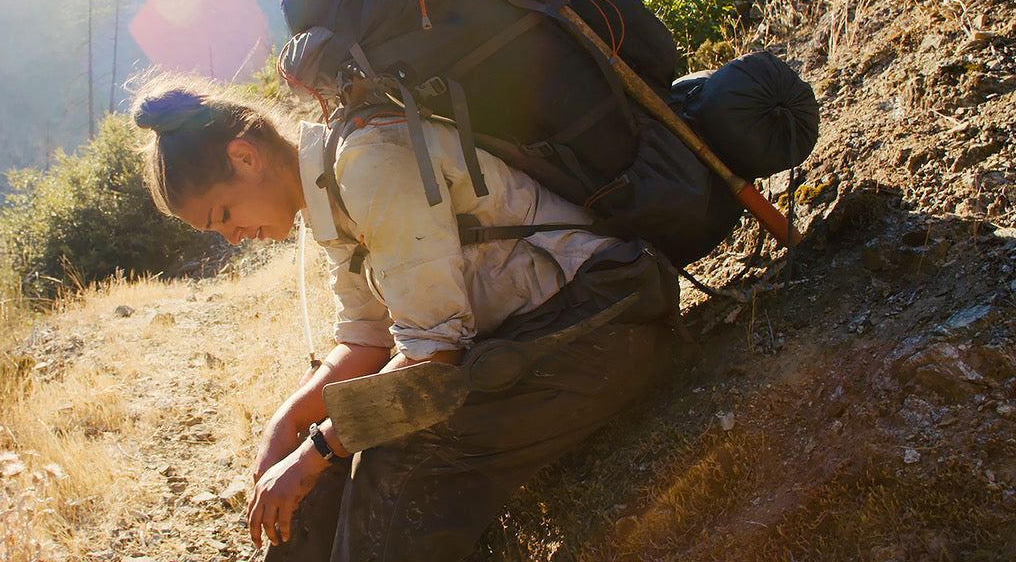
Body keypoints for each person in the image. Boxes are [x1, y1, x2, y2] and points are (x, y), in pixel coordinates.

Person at [132, 75, 682, 561]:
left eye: (223, 215)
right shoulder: (328, 185)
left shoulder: (369, 164)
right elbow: (367, 337)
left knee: (394, 461)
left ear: (245, 156)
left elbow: (431, 362)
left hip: (606, 318)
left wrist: (315, 449)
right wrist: (287, 424)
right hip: (541, 331)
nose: (231, 237)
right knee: (325, 471)